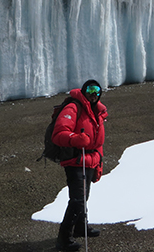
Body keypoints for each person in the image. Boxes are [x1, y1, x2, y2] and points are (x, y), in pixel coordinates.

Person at [52, 79, 108, 251]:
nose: (93, 94)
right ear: (84, 91)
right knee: (77, 200)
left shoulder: (96, 111)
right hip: (75, 161)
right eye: (90, 90)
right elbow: (58, 134)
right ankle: (63, 239)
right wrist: (75, 139)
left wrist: (98, 162)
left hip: (89, 160)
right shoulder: (73, 108)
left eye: (96, 91)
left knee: (84, 198)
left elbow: (98, 142)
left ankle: (80, 227)